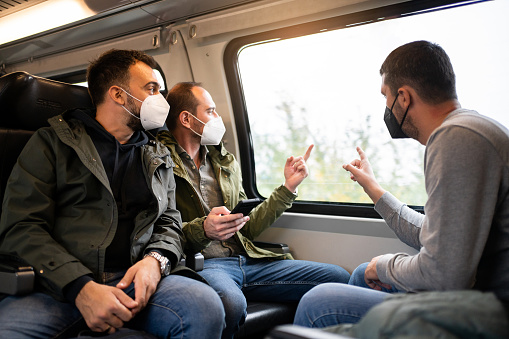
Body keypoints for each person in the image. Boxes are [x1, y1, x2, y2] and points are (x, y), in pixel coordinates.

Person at [0, 50, 224, 338]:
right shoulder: (51, 144)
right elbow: (21, 227)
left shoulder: (158, 154)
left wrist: (156, 260)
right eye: (152, 89)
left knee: (205, 308)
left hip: (138, 277)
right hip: (59, 285)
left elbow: (169, 221)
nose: (160, 99)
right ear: (118, 94)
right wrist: (80, 287)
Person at [293, 40, 509, 333]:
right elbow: (435, 234)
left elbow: (443, 275)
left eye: (386, 96)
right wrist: (374, 190)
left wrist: (383, 265)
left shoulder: (456, 139)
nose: (387, 107)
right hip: (474, 298)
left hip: (486, 313)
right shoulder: (471, 128)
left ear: (403, 97)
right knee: (360, 273)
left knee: (318, 303)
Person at [157, 82, 351, 339]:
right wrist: (203, 229)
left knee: (337, 278)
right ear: (186, 118)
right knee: (232, 304)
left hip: (247, 258)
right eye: (211, 111)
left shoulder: (223, 160)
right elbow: (159, 229)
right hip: (203, 265)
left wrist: (288, 187)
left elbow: (246, 225)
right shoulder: (159, 160)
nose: (217, 118)